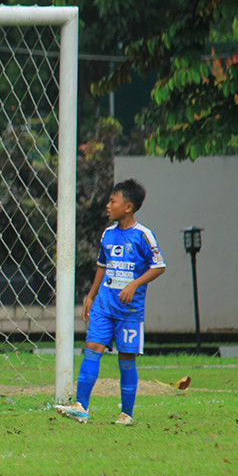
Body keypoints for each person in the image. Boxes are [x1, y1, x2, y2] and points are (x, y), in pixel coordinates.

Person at [55, 179, 165, 425]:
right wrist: (91, 295)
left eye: (112, 201)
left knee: (126, 359)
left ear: (128, 207)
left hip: (129, 310)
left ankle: (126, 414)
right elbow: (102, 266)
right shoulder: (108, 234)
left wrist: (134, 285)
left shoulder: (143, 235)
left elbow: (159, 266)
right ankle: (81, 407)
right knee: (92, 349)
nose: (107, 205)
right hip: (104, 305)